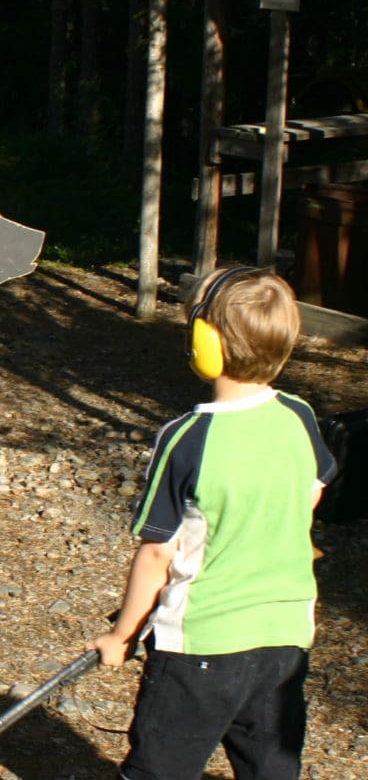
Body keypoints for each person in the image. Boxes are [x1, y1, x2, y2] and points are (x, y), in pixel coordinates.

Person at [89, 267, 337, 780]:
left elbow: (158, 552)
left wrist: (122, 634)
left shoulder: (188, 437)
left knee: (161, 769)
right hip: (285, 639)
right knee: (270, 767)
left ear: (207, 343)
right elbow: (313, 490)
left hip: (201, 647)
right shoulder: (299, 415)